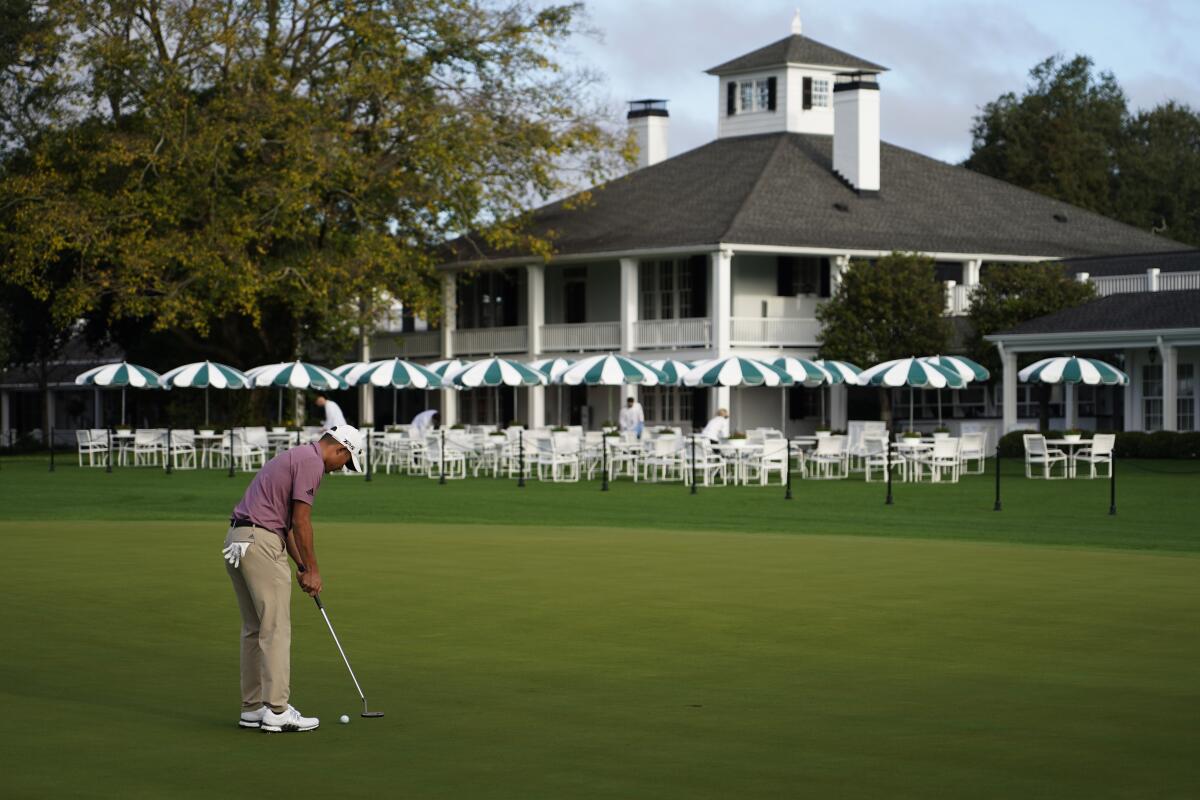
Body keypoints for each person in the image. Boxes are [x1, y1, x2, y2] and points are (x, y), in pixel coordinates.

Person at [221, 424, 364, 733]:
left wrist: (300, 564)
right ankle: (277, 710)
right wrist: (313, 569)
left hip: (238, 537)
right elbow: (301, 521)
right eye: (347, 462)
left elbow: (282, 521)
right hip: (260, 542)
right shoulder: (312, 463)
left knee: (254, 628)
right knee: (275, 629)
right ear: (340, 449)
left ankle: (252, 707)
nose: (342, 469)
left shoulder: (293, 457)